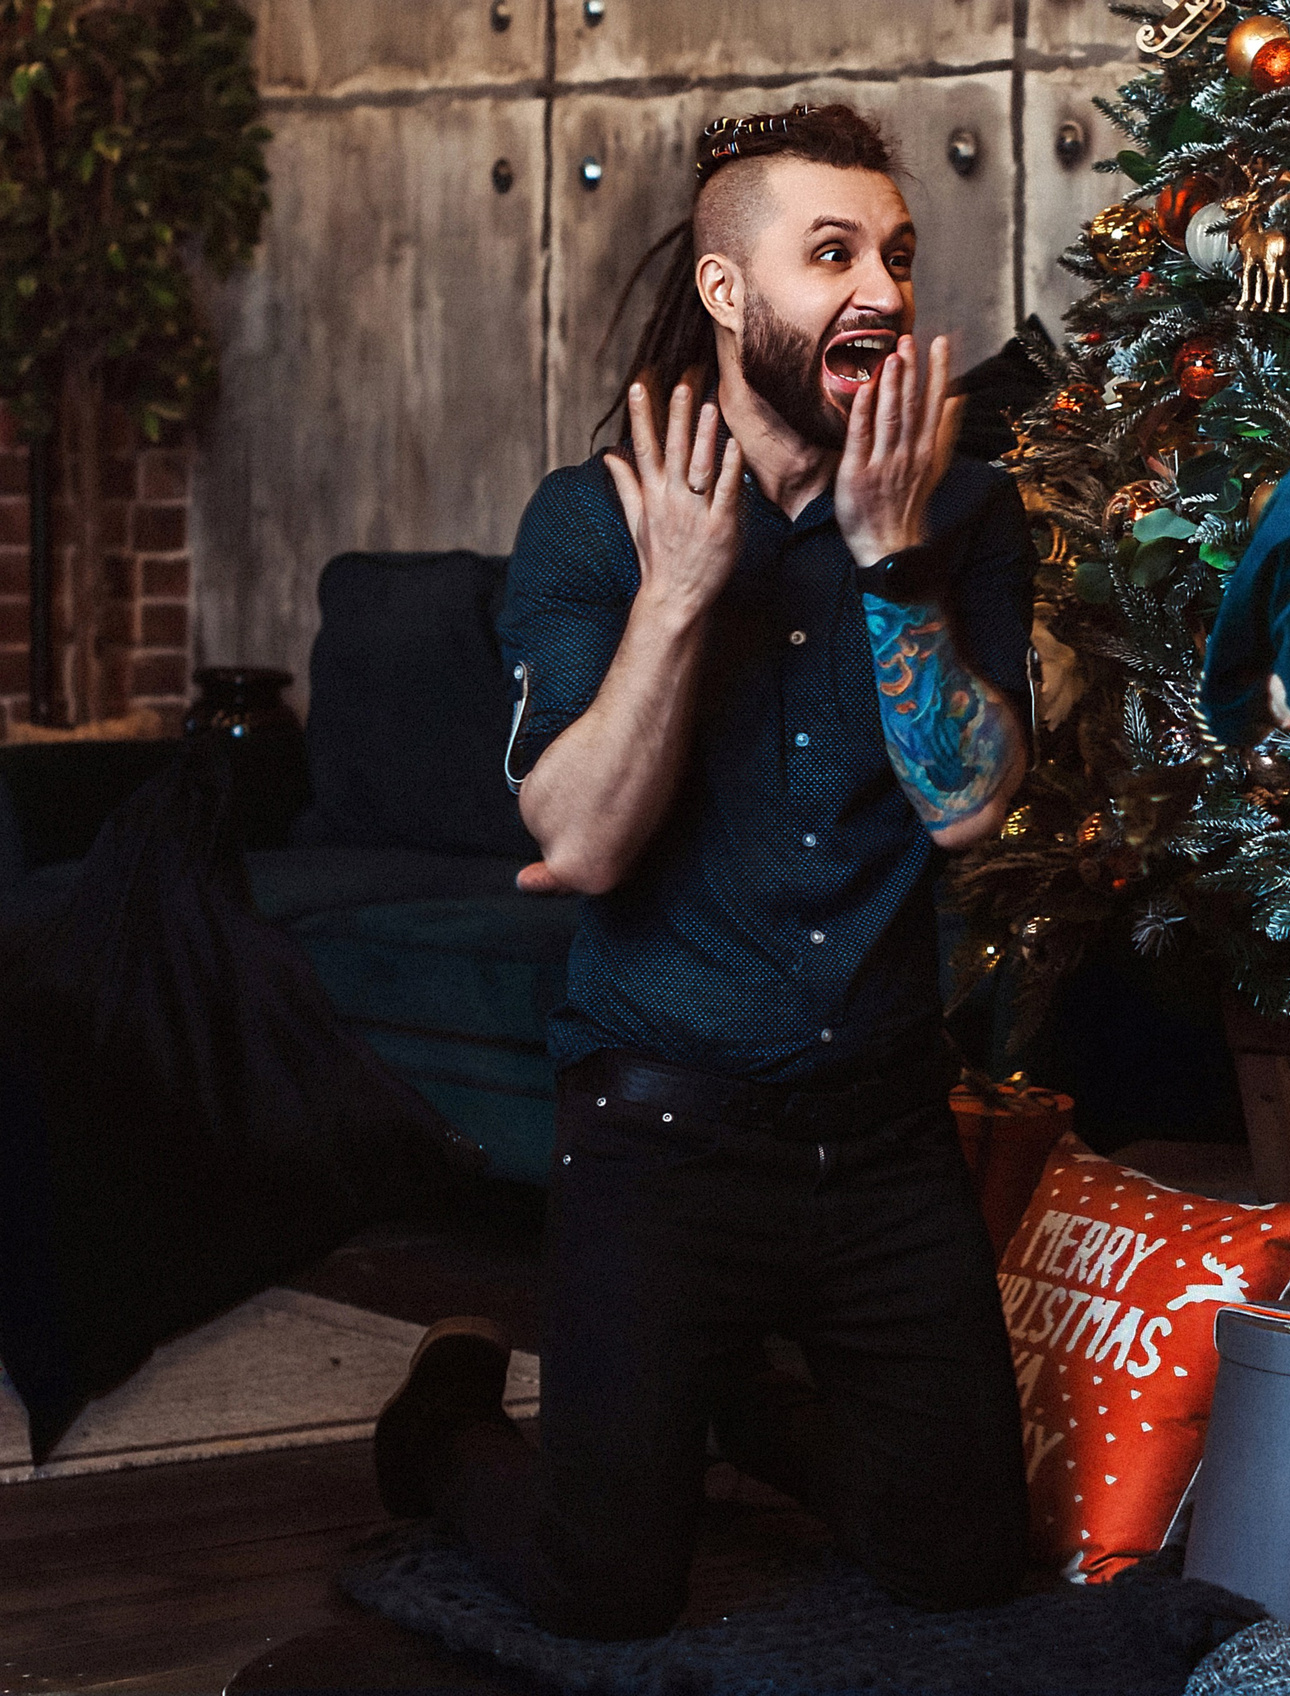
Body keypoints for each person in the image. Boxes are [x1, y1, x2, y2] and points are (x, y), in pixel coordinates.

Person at [369, 102, 1034, 1639]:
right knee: (604, 1590)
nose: (881, 287)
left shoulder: (967, 514)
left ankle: (733, 1414)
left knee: (963, 1564)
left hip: (883, 1144)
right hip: (664, 1137)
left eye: (897, 253)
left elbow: (970, 808)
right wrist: (677, 597)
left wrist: (893, 564)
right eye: (831, 253)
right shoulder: (588, 522)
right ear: (731, 295)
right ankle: (442, 1431)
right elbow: (585, 839)